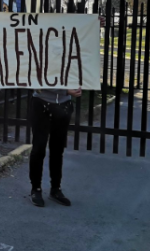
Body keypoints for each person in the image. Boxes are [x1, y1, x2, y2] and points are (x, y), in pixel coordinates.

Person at [29, 15, 106, 208]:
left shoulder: (70, 52)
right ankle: (36, 188)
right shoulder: (39, 53)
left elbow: (84, 45)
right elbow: (37, 85)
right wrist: (65, 90)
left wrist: (94, 26)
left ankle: (56, 188)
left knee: (57, 149)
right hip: (42, 104)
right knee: (39, 148)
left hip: (63, 106)